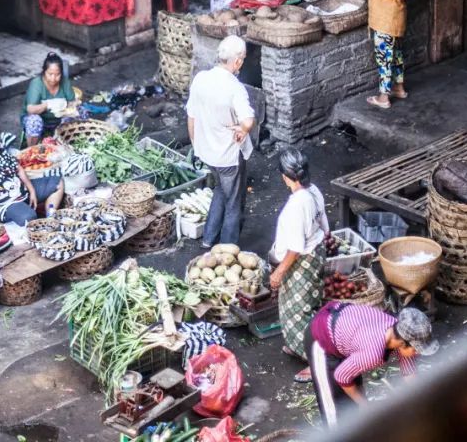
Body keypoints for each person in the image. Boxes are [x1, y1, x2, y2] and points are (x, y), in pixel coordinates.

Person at [305, 301, 437, 427]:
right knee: (334, 410)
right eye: (416, 350)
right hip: (321, 335)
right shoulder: (372, 352)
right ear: (402, 343)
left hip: (344, 333)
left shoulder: (398, 329)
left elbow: (410, 372)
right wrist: (366, 405)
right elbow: (342, 377)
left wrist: (423, 403)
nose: (418, 354)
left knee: (352, 402)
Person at [186, 35, 255, 248]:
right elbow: (248, 120)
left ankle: (208, 239)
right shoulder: (235, 88)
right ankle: (227, 249)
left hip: (206, 151)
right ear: (237, 62)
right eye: (242, 59)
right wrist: (243, 129)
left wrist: (196, 144)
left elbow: (191, 117)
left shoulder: (200, 79)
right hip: (227, 157)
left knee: (220, 190)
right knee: (234, 202)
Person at [269, 148, 330, 383]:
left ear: (285, 176)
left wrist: (279, 272)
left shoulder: (297, 205)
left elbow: (295, 247)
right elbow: (325, 224)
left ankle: (316, 361)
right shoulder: (313, 191)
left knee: (301, 311)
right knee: (297, 306)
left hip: (300, 260)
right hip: (314, 254)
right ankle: (298, 346)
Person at [354, 0, 412, 110]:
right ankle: (399, 88)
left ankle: (383, 97)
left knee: (384, 58)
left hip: (388, 19)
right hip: (389, 18)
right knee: (396, 56)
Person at [23, 53, 75, 145]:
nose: (53, 78)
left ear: (61, 73)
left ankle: (65, 145)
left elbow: (72, 102)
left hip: (59, 121)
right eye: (50, 74)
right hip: (42, 121)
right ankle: (31, 150)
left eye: (57, 74)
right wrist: (47, 105)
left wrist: (67, 109)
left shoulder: (65, 81)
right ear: (44, 72)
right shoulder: (37, 84)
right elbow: (30, 110)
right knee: (34, 121)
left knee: (82, 112)